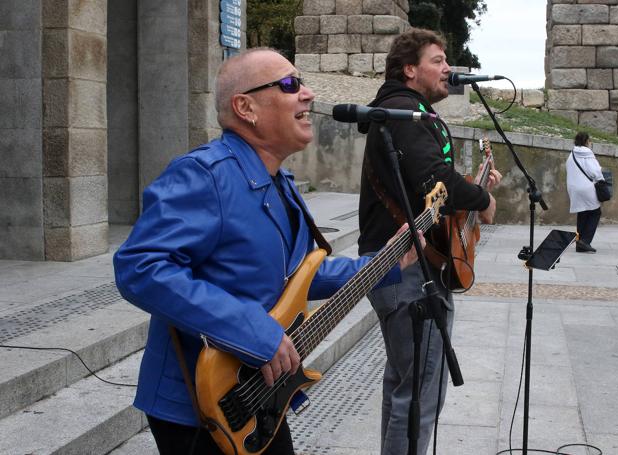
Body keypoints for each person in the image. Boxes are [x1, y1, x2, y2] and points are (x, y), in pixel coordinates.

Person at [113, 48, 422, 455]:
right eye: (291, 84)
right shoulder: (205, 174)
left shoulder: (280, 181)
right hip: (202, 406)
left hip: (258, 392)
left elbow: (297, 276)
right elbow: (140, 267)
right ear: (246, 107)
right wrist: (253, 332)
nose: (308, 94)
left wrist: (385, 264)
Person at [357, 29, 502, 455]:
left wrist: (473, 190)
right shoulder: (402, 112)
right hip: (404, 267)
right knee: (420, 391)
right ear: (409, 69)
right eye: (437, 60)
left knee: (406, 385)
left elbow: (430, 194)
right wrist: (483, 197)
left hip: (414, 264)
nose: (448, 69)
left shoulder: (410, 113)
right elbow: (435, 182)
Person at [566, 132, 603, 253]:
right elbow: (595, 171)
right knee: (595, 212)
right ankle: (585, 241)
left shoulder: (572, 154)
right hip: (587, 188)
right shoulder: (588, 153)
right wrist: (600, 179)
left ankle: (579, 243)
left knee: (582, 213)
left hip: (574, 188)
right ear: (587, 141)